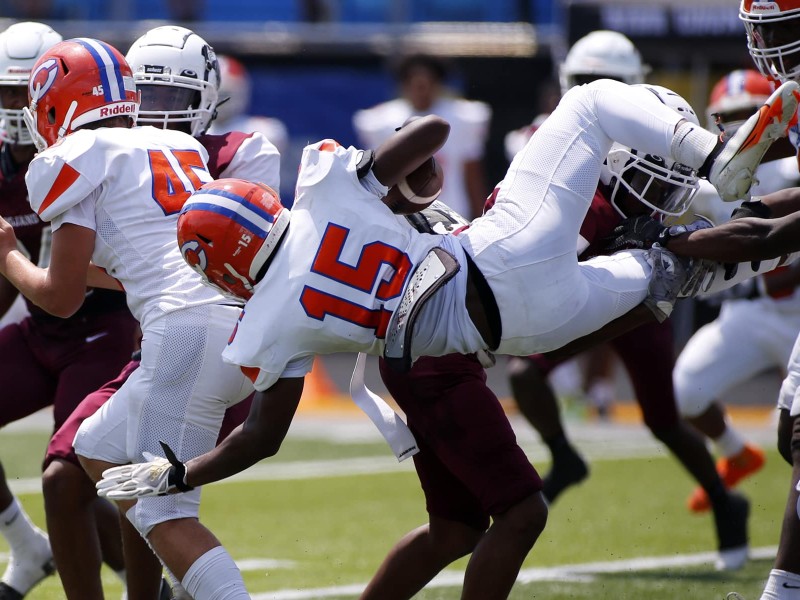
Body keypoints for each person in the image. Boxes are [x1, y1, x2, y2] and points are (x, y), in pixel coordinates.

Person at [97, 79, 798, 596]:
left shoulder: (264, 324)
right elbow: (430, 133)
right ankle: (716, 159)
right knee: (591, 109)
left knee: (678, 267)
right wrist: (396, 182)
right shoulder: (320, 190)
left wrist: (181, 473)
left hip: (517, 327)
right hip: (496, 261)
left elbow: (260, 438)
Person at [0, 37, 258, 599]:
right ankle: (182, 578)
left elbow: (60, 298)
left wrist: (8, 255)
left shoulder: (72, 158)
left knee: (166, 512)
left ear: (55, 106)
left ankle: (204, 581)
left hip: (184, 334)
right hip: (237, 325)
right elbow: (142, 264)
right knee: (96, 446)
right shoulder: (175, 144)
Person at [504, 84, 753, 570]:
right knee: (523, 373)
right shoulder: (585, 201)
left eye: (665, 188)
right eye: (651, 183)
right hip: (580, 304)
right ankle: (563, 455)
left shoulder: (645, 186)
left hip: (638, 311)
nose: (656, 198)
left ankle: (724, 501)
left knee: (663, 422)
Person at [0, 23, 141, 600]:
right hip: (44, 325)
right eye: (5, 92)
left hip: (106, 327)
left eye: (23, 92)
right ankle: (26, 544)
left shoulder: (94, 154)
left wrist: (8, 253)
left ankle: (152, 580)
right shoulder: (13, 163)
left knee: (73, 476)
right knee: (71, 478)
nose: (15, 106)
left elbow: (68, 284)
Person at [674, 69, 800, 515]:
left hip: (797, 313)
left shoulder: (789, 166)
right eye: (727, 117)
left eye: (748, 113)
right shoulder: (710, 178)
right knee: (687, 388)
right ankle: (736, 452)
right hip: (752, 311)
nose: (738, 126)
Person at [353, 53, 491, 219]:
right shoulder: (381, 121)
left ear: (438, 83)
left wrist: (480, 217)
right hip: (400, 216)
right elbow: (374, 180)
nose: (421, 90)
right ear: (404, 84)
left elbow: (472, 174)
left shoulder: (462, 117)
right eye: (415, 83)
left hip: (452, 212)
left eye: (427, 82)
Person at [207, 54, 289, 158]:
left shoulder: (264, 131)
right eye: (214, 94)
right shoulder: (193, 131)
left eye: (224, 94)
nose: (219, 100)